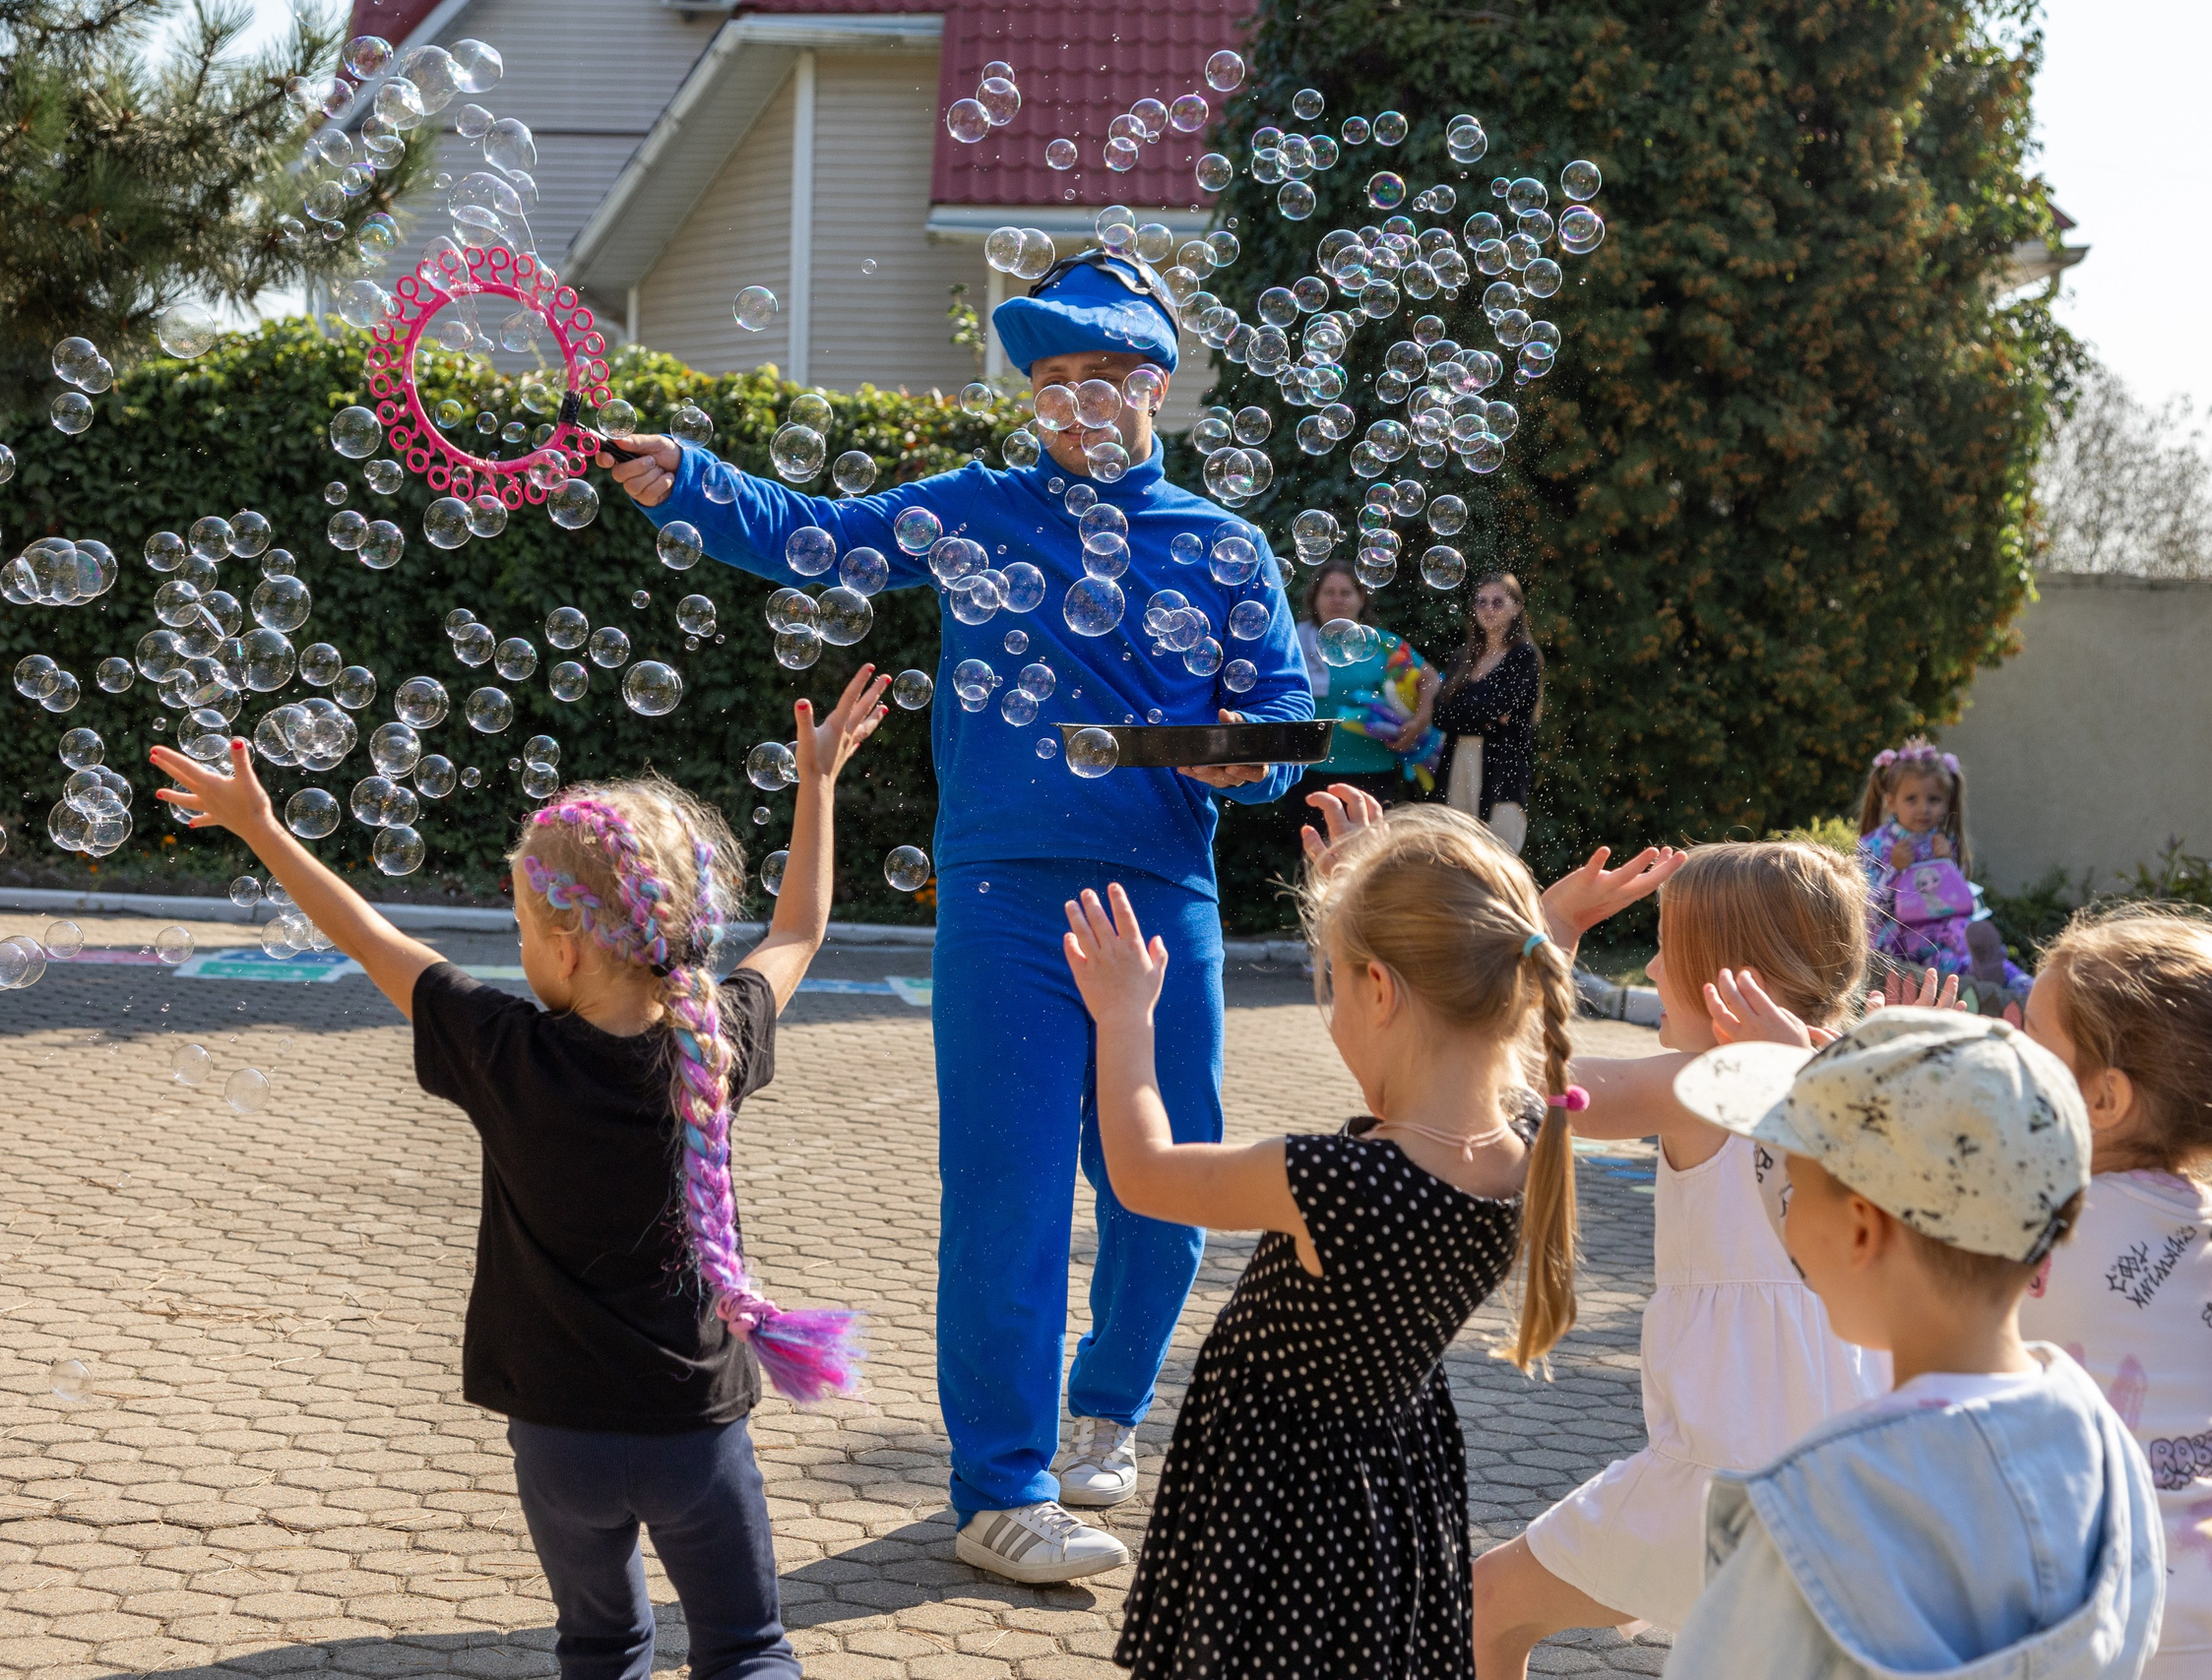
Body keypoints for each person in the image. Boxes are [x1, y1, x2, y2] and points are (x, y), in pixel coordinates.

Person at [605, 253, 1313, 1584]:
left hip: (1163, 896)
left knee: (1170, 1185)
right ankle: (1002, 1484)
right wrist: (687, 480)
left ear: (1153, 387)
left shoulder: (1225, 546)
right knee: (1008, 1196)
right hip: (1001, 898)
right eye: (1050, 382)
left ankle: (1104, 1408)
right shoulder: (978, 509)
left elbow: (1281, 716)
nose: (1074, 406)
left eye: (1102, 380)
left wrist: (1239, 756)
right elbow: (815, 529)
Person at [148, 668, 895, 1680]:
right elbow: (797, 932)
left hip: (557, 1440)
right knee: (746, 1648)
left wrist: (260, 830)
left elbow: (371, 936)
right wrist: (818, 787)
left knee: (600, 1646)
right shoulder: (715, 1039)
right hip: (694, 1437)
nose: (512, 952)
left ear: (566, 946)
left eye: (516, 932)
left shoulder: (503, 1051)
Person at [1064, 790, 1580, 1676]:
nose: (1331, 1005)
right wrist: (1374, 895)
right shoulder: (1527, 1146)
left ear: (1380, 988)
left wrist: (1124, 1018)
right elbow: (1495, 984)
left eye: (1333, 979)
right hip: (1391, 1483)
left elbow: (1145, 1172)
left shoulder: (1337, 1183)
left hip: (1278, 1492)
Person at [1474, 840, 1891, 1676]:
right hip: (1853, 1495)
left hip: (1720, 1488)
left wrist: (1555, 926)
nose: (1656, 966)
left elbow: (1520, 1081)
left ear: (1741, 980)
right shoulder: (1867, 1076)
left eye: (1674, 948)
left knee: (1486, 1607)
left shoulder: (1710, 1082)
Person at [1661, 1009, 2164, 1680]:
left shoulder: (1817, 1504)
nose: (1784, 1212)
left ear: (1862, 1229)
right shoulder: (2105, 1442)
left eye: (1793, 1187)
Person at [2017, 906, 2212, 1676]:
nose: (2010, 1037)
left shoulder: (2053, 1222)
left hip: (2120, 1626)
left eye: (2033, 1035)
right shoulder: (2208, 1223)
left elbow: (1874, 1255)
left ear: (2104, 1100)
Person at [1855, 737, 2028, 1008]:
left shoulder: (1943, 842)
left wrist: (1948, 864)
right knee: (1946, 960)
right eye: (1911, 799)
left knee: (1972, 945)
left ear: (1946, 802)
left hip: (1945, 930)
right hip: (1898, 940)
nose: (1923, 809)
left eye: (1933, 800)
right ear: (1890, 800)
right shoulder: (1874, 845)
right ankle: (1983, 978)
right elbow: (1864, 908)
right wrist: (1893, 870)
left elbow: (1959, 901)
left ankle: (2024, 986)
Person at [1294, 559, 1445, 800]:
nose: (1337, 599)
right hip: (1307, 770)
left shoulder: (1384, 644)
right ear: (1315, 598)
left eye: (1346, 592)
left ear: (1361, 599)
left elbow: (1431, 679)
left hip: (1374, 772)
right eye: (1329, 592)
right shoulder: (1294, 643)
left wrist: (1420, 720)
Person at [1435, 571, 1541, 853]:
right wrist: (1486, 718)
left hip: (1502, 766)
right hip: (1458, 761)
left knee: (1498, 853)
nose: (1488, 609)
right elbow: (1440, 716)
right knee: (1456, 851)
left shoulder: (1523, 656)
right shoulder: (1462, 657)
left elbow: (1500, 707)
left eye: (1497, 602)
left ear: (1516, 607)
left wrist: (1470, 712)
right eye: (1481, 602)